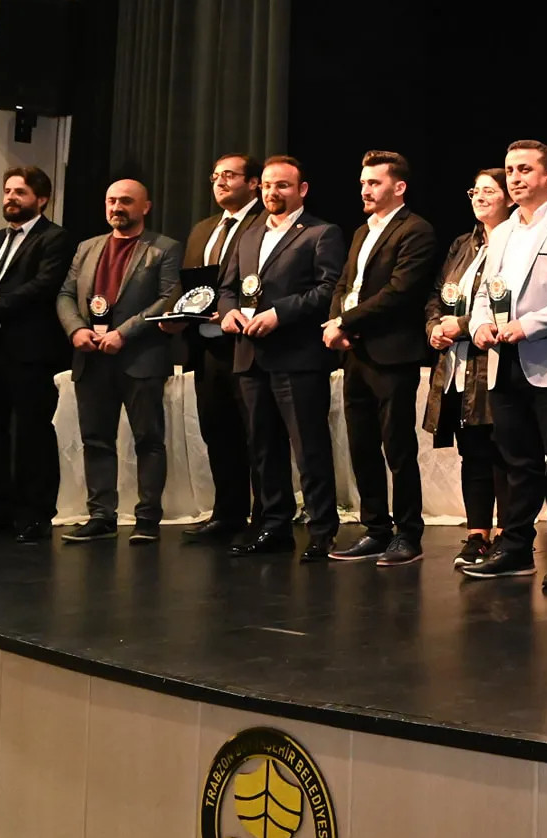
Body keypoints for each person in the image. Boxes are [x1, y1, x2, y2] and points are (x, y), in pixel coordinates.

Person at [461, 140, 547, 586]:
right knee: (516, 461)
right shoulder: (501, 232)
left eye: (524, 169)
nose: (515, 178)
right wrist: (480, 325)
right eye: (510, 171)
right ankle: (516, 549)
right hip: (504, 360)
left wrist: (529, 325)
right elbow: (487, 292)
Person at [218, 155, 349, 559]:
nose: (272, 192)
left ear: (302, 190)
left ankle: (322, 530)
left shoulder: (321, 232)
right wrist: (229, 313)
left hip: (298, 357)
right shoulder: (249, 234)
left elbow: (328, 289)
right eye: (267, 185)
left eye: (283, 185)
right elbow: (227, 288)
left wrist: (279, 314)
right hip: (250, 356)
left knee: (309, 448)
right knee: (262, 448)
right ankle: (274, 526)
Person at [322, 151, 440, 567]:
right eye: (363, 183)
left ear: (399, 187)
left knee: (398, 447)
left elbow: (399, 291)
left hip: (392, 354)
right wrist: (337, 322)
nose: (365, 190)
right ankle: (376, 529)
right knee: (362, 444)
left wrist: (345, 321)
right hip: (356, 352)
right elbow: (345, 284)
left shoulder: (416, 230)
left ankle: (408, 534)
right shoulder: (362, 231)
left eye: (374, 183)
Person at [57, 179, 183, 543]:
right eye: (111, 200)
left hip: (141, 358)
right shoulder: (87, 247)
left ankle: (147, 519)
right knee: (95, 440)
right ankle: (101, 516)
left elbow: (168, 298)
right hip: (90, 357)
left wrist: (123, 333)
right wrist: (76, 330)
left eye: (126, 201)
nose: (117, 207)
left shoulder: (164, 248)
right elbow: (66, 294)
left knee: (148, 440)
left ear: (145, 207)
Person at [0, 168, 74, 542]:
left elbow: (41, 287)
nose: (10, 198)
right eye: (7, 191)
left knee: (32, 435)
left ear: (42, 199)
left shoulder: (55, 239)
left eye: (20, 192)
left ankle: (35, 515)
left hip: (30, 351)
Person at [173, 155, 264, 544]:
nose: (220, 182)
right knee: (218, 431)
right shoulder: (203, 229)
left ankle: (265, 518)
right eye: (215, 176)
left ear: (254, 182)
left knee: (256, 435)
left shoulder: (265, 222)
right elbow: (192, 287)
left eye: (229, 175)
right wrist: (177, 314)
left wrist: (230, 310)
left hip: (248, 344)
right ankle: (228, 514)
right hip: (206, 346)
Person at [425, 169, 508, 569]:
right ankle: (477, 534)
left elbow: (506, 300)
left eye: (489, 191)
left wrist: (460, 325)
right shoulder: (463, 244)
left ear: (509, 198)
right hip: (457, 366)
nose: (479, 197)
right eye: (475, 190)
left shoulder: (515, 240)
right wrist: (433, 327)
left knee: (503, 452)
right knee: (472, 452)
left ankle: (509, 533)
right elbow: (437, 295)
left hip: (495, 362)